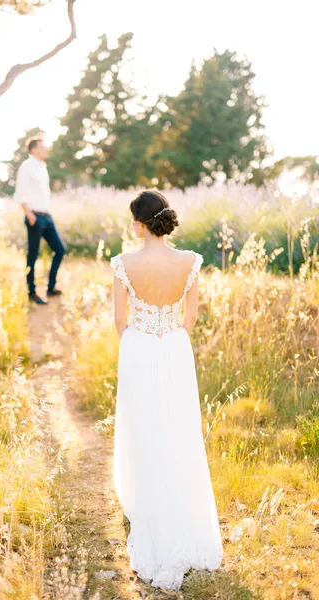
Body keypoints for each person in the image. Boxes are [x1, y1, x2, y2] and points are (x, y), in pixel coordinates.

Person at [110, 189, 223, 591]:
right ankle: (182, 511)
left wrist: (140, 343)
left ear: (138, 224)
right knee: (178, 430)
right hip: (176, 348)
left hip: (138, 347)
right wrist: (167, 339)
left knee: (144, 428)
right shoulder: (190, 262)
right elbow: (189, 318)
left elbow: (120, 320)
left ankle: (148, 506)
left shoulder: (123, 263)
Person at [14, 136, 66, 304]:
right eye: (43, 147)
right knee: (33, 255)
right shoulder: (27, 167)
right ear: (34, 149)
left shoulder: (43, 167)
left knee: (59, 250)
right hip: (34, 217)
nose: (46, 150)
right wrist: (29, 214)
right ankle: (32, 292)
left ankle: (50, 288)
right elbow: (20, 192)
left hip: (47, 217)